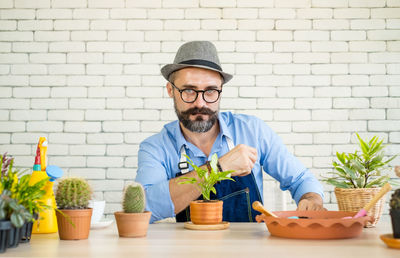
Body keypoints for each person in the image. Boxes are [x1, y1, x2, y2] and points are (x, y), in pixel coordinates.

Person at [136, 41, 325, 223]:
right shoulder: (156, 147)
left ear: (221, 90)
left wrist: (311, 198)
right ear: (171, 90)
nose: (200, 103)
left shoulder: (253, 130)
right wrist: (219, 167)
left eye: (210, 91)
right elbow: (144, 209)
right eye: (189, 91)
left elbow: (301, 179)